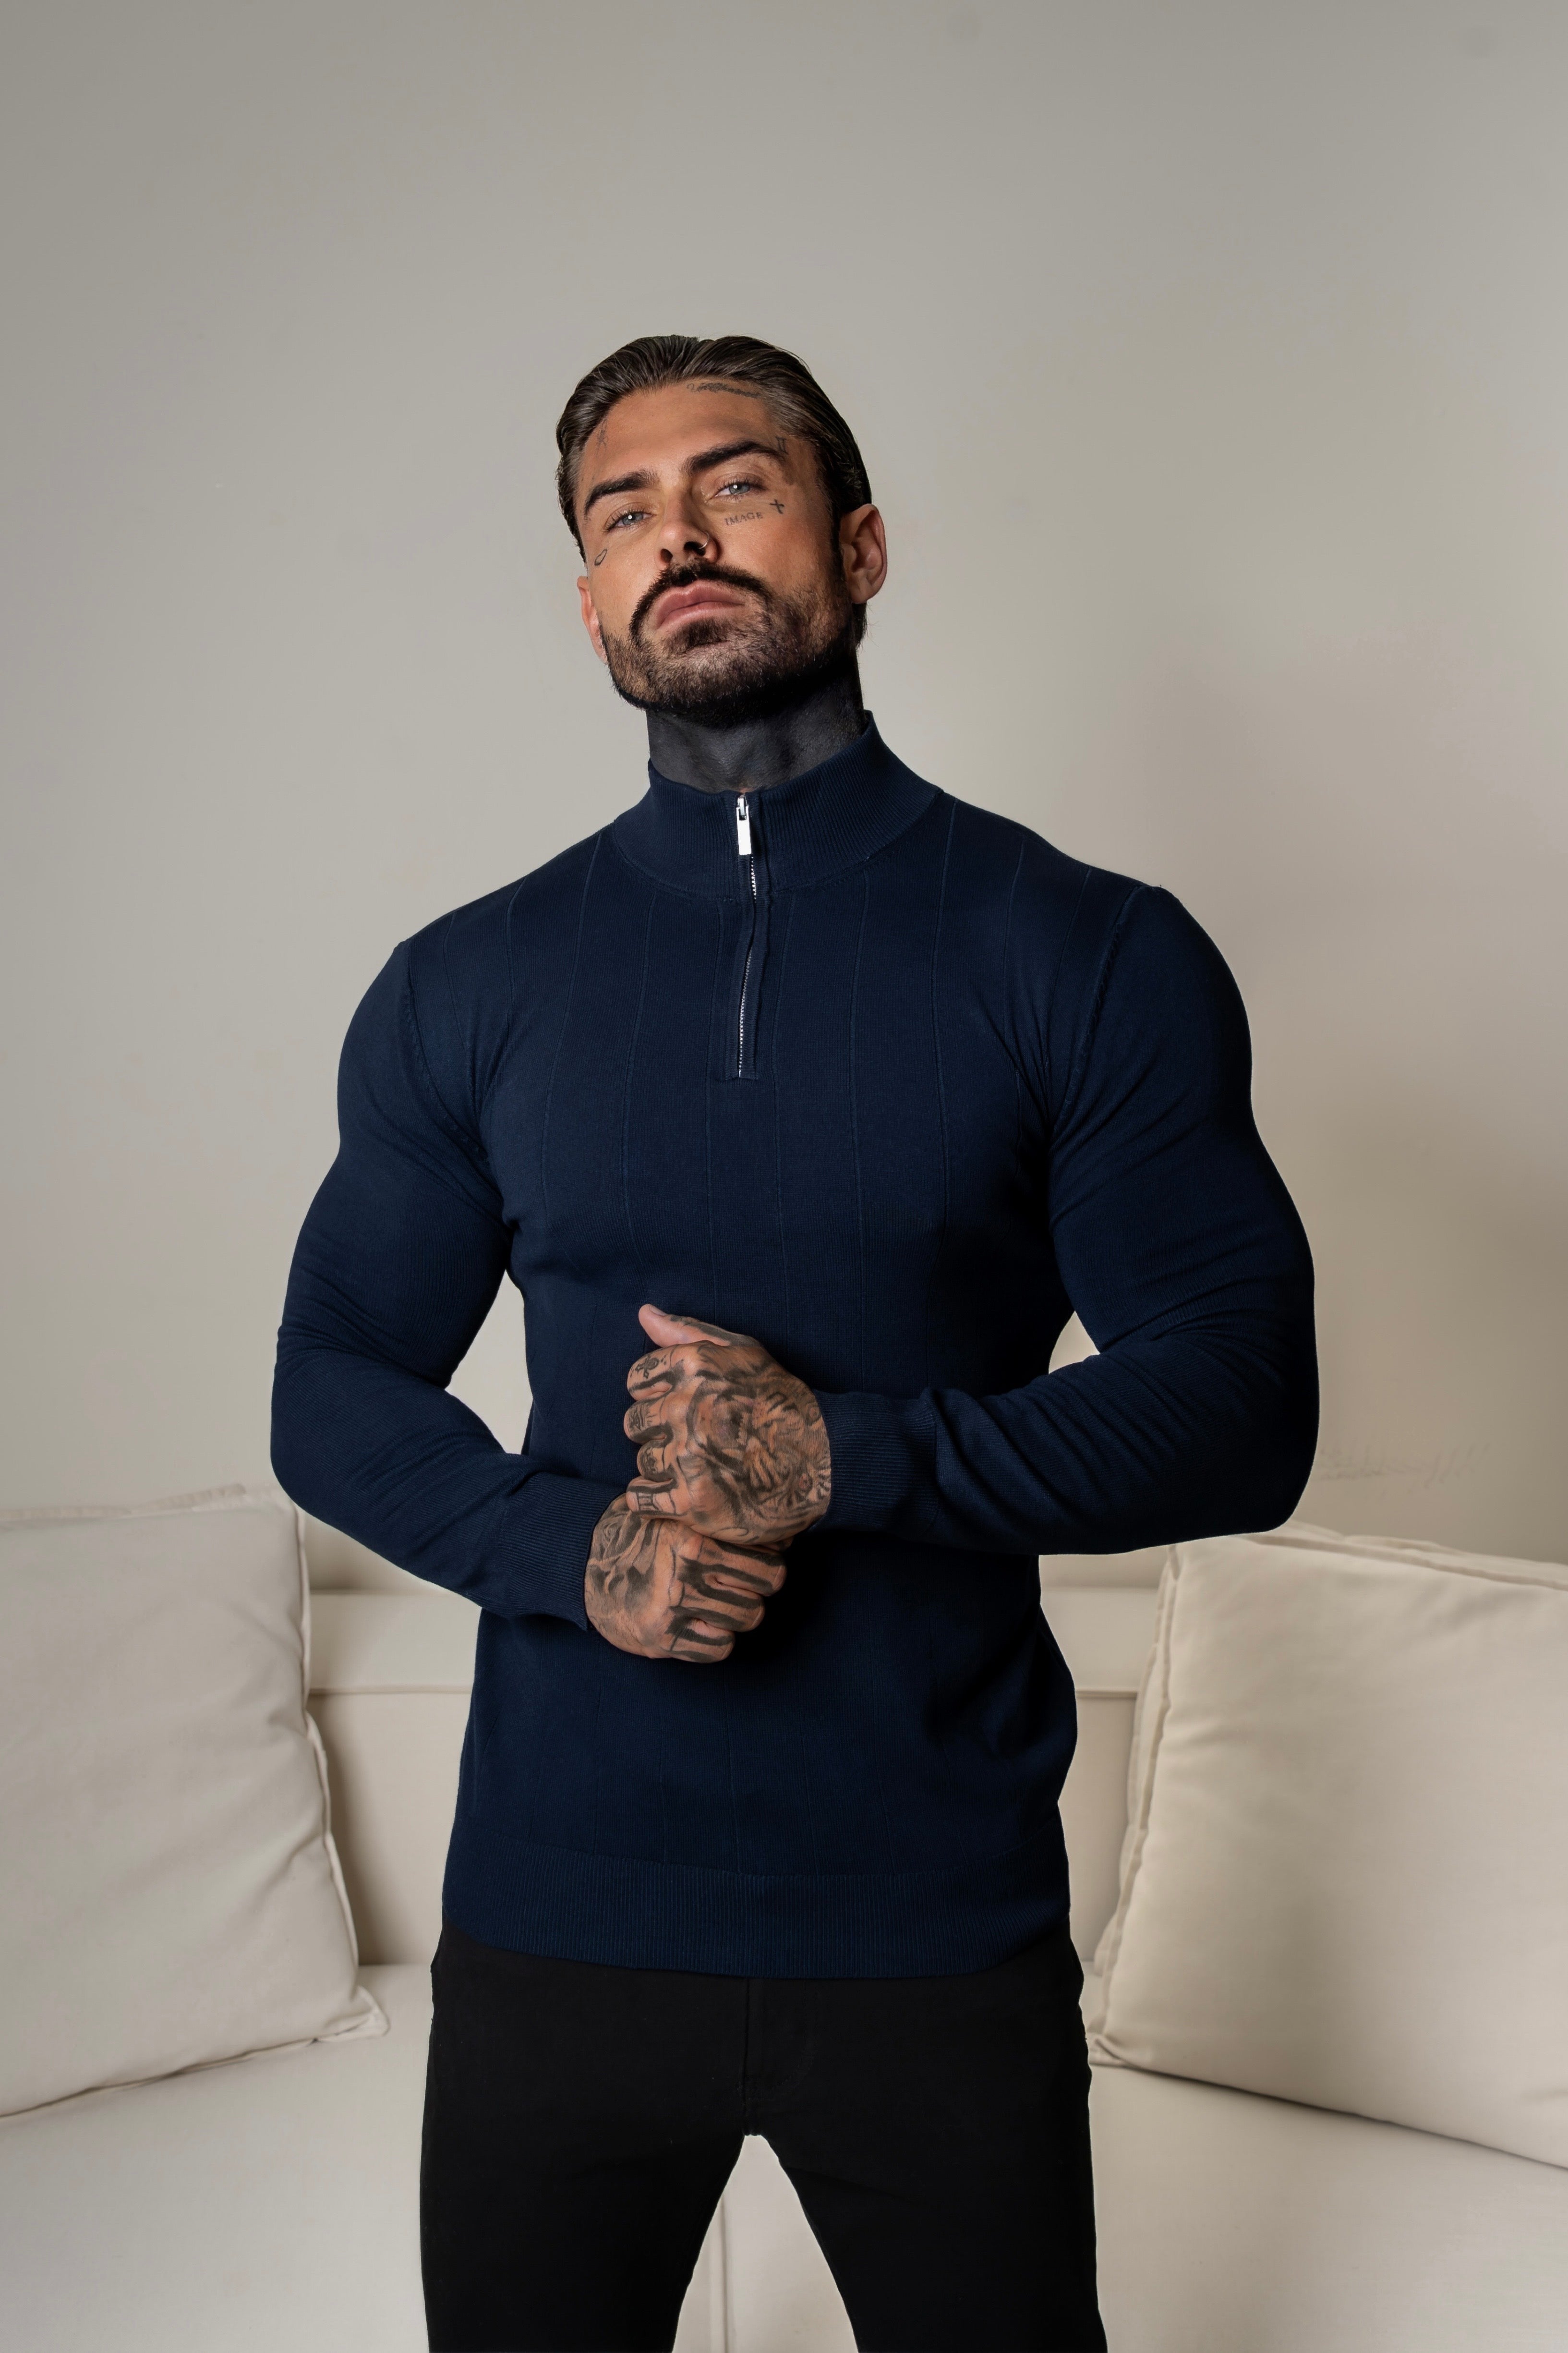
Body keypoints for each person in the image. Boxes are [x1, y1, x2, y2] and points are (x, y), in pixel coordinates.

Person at [272, 333, 1317, 2353]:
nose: (677, 536)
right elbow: (330, 1379)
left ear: (859, 544)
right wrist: (573, 1547)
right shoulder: (465, 985)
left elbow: (1241, 1399)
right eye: (622, 512)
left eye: (734, 486)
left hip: (934, 1919)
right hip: (556, 1916)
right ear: (589, 595)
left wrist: (847, 1456)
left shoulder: (1084, 949)